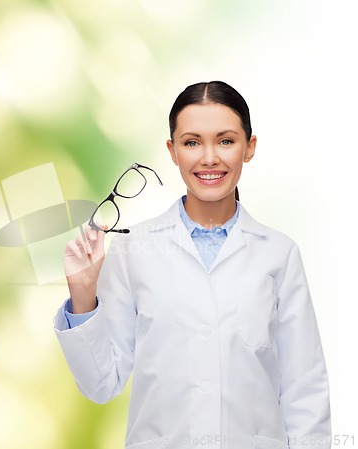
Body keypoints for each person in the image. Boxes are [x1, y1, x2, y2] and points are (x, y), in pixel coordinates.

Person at [53, 81, 331, 449]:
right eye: (192, 142)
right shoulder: (133, 250)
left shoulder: (279, 254)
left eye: (226, 141)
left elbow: (305, 389)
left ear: (249, 148)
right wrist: (84, 297)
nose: (209, 158)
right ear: (172, 150)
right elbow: (102, 383)